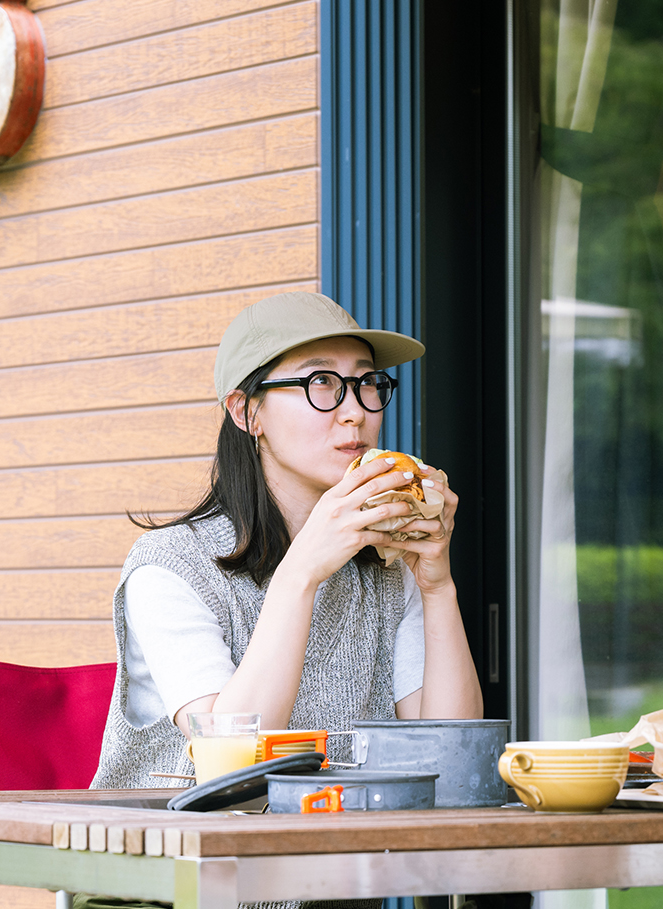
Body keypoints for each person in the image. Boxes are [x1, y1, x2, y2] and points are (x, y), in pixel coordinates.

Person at [90, 291, 485, 789]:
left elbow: (453, 764)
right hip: (187, 855)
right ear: (246, 413)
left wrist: (437, 588)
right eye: (321, 382)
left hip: (339, 854)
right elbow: (229, 765)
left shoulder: (385, 561)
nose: (355, 412)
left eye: (366, 382)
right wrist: (301, 574)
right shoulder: (169, 566)